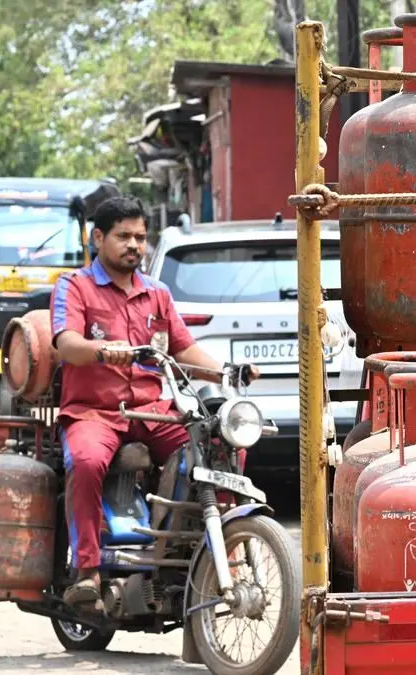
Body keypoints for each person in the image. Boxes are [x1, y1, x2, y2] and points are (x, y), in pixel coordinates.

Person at [50, 195, 259, 607]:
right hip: (94, 412)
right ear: (98, 238)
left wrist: (226, 372)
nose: (135, 245)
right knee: (88, 462)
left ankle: (213, 551)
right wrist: (100, 349)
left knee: (219, 446)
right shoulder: (75, 286)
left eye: (141, 238)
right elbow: (66, 344)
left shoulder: (157, 293)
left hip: (152, 411)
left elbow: (183, 350)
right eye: (123, 236)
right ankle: (88, 571)